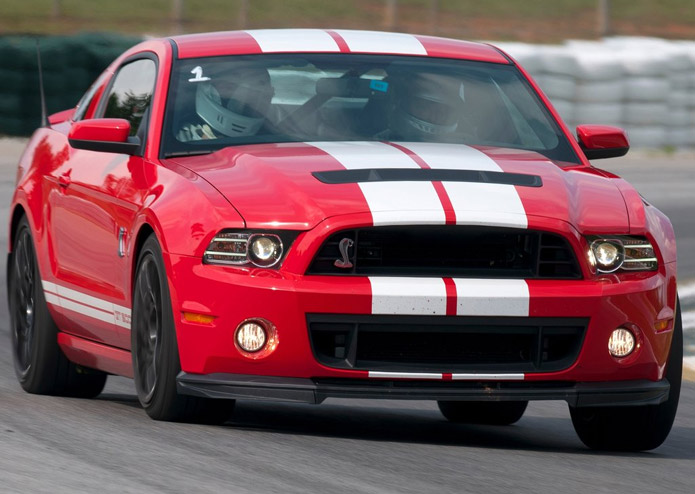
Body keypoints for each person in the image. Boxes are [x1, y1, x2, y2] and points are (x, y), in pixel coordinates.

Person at [177, 66, 274, 142]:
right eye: (232, 82)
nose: (252, 94)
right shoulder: (179, 142)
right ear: (209, 88)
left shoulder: (278, 136)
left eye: (260, 85)